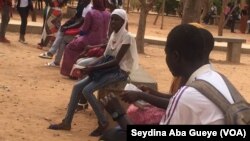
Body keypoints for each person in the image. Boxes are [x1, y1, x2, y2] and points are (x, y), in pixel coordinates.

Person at [99, 24, 237, 140]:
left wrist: (118, 113)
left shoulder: (188, 94)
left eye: (166, 53)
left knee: (114, 135)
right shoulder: (218, 79)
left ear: (175, 56)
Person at [48, 9, 139, 137]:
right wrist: (92, 66)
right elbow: (105, 56)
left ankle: (103, 122)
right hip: (109, 68)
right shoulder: (114, 35)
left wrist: (93, 68)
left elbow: (116, 62)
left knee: (87, 90)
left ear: (123, 21)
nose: (113, 21)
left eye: (117, 19)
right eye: (112, 19)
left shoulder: (127, 37)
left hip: (120, 71)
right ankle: (67, 122)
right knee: (77, 87)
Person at [60, 0, 110, 77]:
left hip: (89, 40)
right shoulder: (108, 14)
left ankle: (70, 72)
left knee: (69, 47)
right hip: (102, 41)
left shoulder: (91, 13)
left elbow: (84, 30)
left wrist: (78, 35)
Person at [38, 0, 92, 67]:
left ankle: (52, 55)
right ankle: (54, 58)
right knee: (61, 32)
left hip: (85, 35)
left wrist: (67, 27)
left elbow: (80, 22)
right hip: (82, 31)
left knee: (63, 38)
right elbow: (76, 18)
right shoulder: (83, 6)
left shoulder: (88, 8)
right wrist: (66, 25)